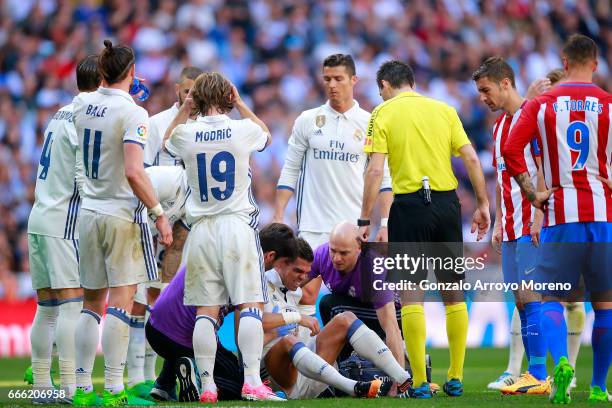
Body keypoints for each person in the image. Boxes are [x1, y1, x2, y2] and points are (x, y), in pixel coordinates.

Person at [359, 60, 491, 398]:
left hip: (408, 206)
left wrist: (365, 218)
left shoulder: (383, 113)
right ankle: (456, 377)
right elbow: (472, 159)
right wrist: (482, 204)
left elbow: (375, 172)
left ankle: (419, 382)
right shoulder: (444, 110)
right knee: (453, 294)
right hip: (446, 205)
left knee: (412, 294)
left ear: (386, 86)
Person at [502, 34, 611, 403]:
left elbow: (510, 148)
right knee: (605, 306)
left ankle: (561, 362)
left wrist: (533, 194)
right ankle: (598, 387)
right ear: (595, 64)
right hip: (603, 216)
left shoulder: (543, 104)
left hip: (560, 215)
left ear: (564, 63)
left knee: (549, 298)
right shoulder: (609, 106)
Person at [164, 72, 278, 402]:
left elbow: (166, 142)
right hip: (236, 225)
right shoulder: (242, 129)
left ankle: (207, 385)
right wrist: (242, 103)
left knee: (206, 311)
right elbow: (266, 136)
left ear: (196, 98)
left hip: (201, 230)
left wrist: (185, 110)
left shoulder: (187, 133)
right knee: (250, 303)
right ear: (228, 97)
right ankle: (253, 381)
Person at [72, 40, 173, 406]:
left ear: (102, 71)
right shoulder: (134, 114)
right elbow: (134, 171)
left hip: (89, 211)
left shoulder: (82, 105)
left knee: (90, 303)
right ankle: (115, 389)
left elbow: (100, 98)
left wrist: (123, 88)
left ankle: (82, 389)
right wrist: (160, 213)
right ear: (131, 72)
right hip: (119, 213)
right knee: (120, 301)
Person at [273, 54, 393, 320]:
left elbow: (384, 179)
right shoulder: (307, 120)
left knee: (362, 295)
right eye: (327, 79)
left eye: (338, 78)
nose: (332, 85)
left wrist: (384, 222)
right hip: (312, 225)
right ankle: (304, 358)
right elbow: (290, 169)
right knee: (303, 293)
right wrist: (279, 214)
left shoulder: (371, 122)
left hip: (351, 229)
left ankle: (362, 357)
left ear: (353, 80)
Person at [145, 223, 297, 401]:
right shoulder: (249, 269)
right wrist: (295, 317)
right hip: (184, 340)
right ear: (270, 256)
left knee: (193, 329)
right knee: (237, 382)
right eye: (285, 263)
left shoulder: (221, 248)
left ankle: (164, 384)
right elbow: (253, 321)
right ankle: (197, 375)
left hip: (154, 330)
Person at [472, 57, 551, 395]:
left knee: (533, 299)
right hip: (511, 227)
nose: (482, 98)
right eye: (478, 92)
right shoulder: (499, 127)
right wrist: (499, 221)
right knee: (520, 301)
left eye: (486, 90)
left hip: (533, 226)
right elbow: (504, 179)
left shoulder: (532, 120)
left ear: (506, 84)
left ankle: (540, 374)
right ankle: (533, 375)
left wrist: (536, 217)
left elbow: (544, 170)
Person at [26, 55, 100, 403]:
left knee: (47, 307)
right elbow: (83, 177)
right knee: (72, 305)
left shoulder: (58, 114)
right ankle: (69, 387)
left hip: (39, 217)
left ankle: (42, 384)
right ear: (102, 83)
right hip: (63, 222)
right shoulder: (86, 120)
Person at [127, 66, 203, 393]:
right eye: (186, 91)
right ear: (177, 90)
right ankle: (137, 376)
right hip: (154, 215)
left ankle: (161, 374)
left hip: (189, 222)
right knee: (142, 295)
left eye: (196, 93)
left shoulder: (209, 126)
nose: (190, 98)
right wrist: (155, 214)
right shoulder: (156, 124)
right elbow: (141, 173)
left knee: (172, 297)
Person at [262, 238, 411, 399]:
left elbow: (391, 324)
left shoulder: (293, 289)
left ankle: (402, 377)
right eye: (299, 271)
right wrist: (296, 317)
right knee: (289, 340)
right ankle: (353, 386)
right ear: (279, 264)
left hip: (308, 373)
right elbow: (249, 322)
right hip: (276, 379)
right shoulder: (258, 287)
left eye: (307, 273)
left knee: (345, 318)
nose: (303, 278)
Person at [300, 222, 409, 389]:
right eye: (333, 251)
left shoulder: (373, 267)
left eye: (344, 253)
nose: (336, 258)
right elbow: (295, 281)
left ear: (359, 248)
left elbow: (391, 326)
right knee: (328, 303)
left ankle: (399, 364)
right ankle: (345, 368)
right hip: (355, 310)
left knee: (336, 309)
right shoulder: (322, 254)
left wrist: (399, 383)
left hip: (391, 314)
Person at [127, 164, 190, 398]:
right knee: (134, 301)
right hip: (127, 228)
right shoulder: (170, 178)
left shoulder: (197, 197)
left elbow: (178, 243)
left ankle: (147, 375)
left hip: (152, 241)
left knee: (156, 302)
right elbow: (132, 196)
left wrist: (167, 286)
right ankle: (133, 378)